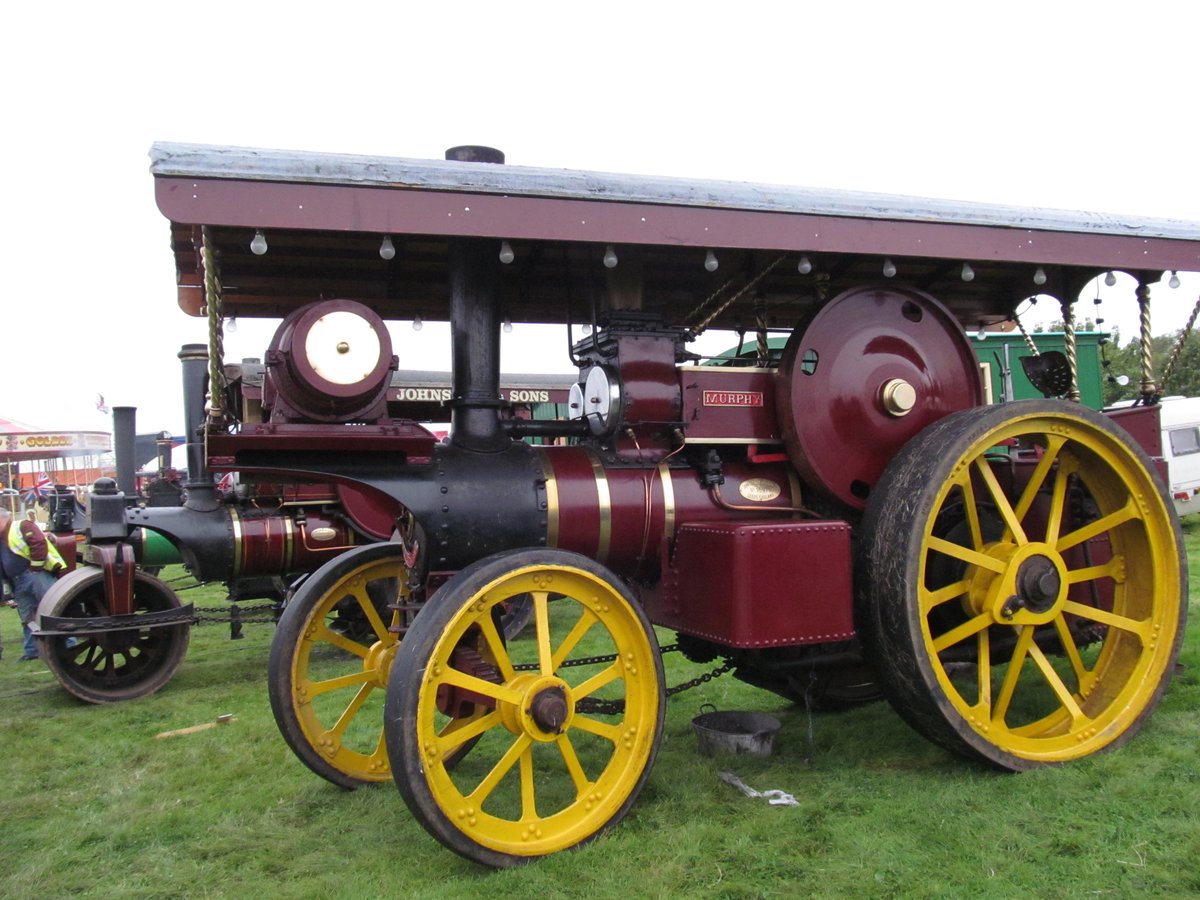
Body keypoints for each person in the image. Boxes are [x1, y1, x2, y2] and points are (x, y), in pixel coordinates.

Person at [0, 509, 66, 661]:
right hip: (17, 581)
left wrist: (35, 569)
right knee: (27, 618)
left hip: (35, 576)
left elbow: (38, 543)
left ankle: (67, 644)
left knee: (54, 610)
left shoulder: (22, 526)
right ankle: (32, 652)